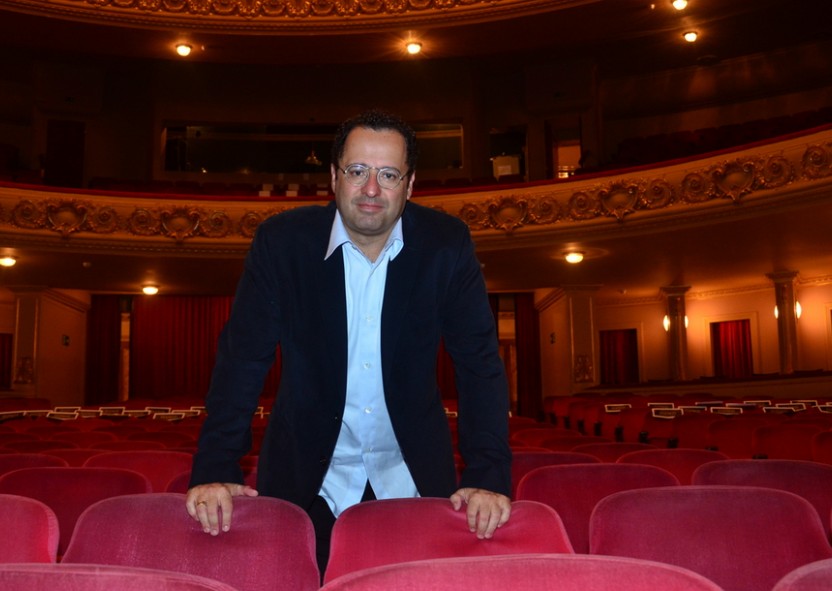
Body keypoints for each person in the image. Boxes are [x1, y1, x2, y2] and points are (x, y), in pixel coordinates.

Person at [186, 109, 512, 574]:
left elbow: (480, 364)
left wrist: (488, 475)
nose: (372, 189)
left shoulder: (447, 245)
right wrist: (216, 467)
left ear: (410, 184)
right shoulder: (281, 243)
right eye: (358, 171)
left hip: (412, 479)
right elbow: (242, 360)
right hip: (306, 480)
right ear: (335, 177)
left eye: (388, 174)